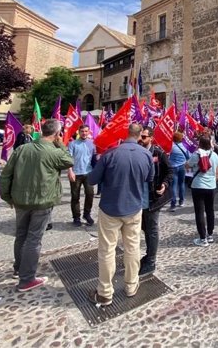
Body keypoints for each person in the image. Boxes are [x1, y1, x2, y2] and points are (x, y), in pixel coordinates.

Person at [0, 119, 74, 292]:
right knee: (33, 239)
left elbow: (6, 175)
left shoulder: (21, 149)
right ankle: (26, 279)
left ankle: (19, 269)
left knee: (21, 236)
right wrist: (61, 144)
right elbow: (69, 160)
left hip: (20, 200)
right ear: (57, 134)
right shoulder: (55, 152)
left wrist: (7, 197)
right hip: (42, 202)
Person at [87, 123, 154, 306]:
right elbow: (149, 178)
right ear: (140, 135)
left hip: (110, 208)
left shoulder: (110, 154)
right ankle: (131, 286)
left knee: (107, 250)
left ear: (127, 134)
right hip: (133, 207)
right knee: (132, 247)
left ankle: (105, 292)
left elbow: (92, 179)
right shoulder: (146, 155)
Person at [138, 127, 173, 275]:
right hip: (140, 198)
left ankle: (151, 261)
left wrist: (164, 184)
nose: (141, 139)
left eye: (144, 137)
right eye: (140, 137)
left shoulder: (159, 153)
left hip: (153, 199)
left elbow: (170, 172)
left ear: (151, 138)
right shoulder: (138, 151)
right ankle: (148, 254)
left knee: (152, 229)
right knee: (145, 228)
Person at [187, 135, 218, 246]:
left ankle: (202, 238)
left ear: (200, 144)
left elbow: (187, 166)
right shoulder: (215, 155)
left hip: (198, 185)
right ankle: (210, 235)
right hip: (211, 186)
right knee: (210, 210)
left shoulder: (196, 155)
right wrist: (213, 181)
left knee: (199, 212)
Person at [67, 124, 96, 227]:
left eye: (86, 131)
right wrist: (70, 171)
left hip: (88, 173)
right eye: (82, 131)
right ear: (79, 132)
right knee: (75, 196)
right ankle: (76, 217)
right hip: (76, 173)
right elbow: (68, 159)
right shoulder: (72, 144)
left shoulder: (92, 144)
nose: (84, 133)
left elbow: (94, 158)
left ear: (89, 132)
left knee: (90, 194)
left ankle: (87, 214)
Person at [169, 131, 190, 211]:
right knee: (181, 184)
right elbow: (188, 156)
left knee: (173, 185)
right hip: (182, 167)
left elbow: (168, 155)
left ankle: (173, 204)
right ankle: (181, 201)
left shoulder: (171, 146)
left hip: (173, 167)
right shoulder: (185, 146)